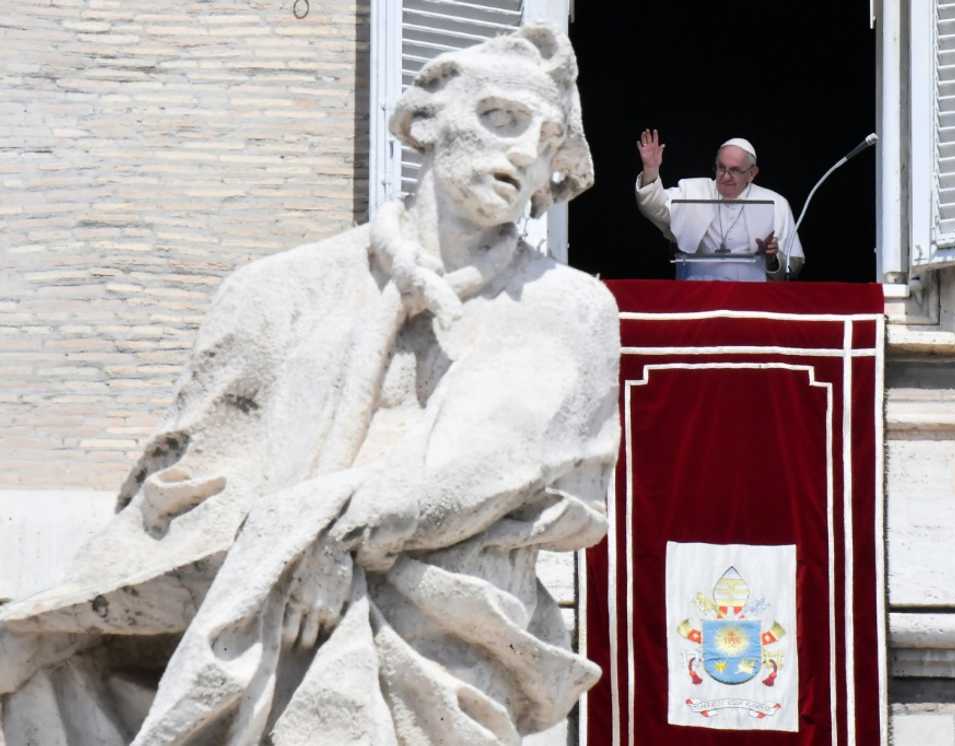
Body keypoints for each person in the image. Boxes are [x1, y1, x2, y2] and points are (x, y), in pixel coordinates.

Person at [0, 25, 619, 746]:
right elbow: (178, 481)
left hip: (438, 626)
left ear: (553, 180)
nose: (520, 152)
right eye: (501, 119)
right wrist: (266, 548)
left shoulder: (561, 308)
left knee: (345, 675)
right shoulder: (277, 290)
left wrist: (329, 541)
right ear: (424, 122)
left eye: (544, 144)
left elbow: (487, 463)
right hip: (239, 598)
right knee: (60, 680)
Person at [634, 129, 805, 281]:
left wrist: (772, 259)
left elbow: (793, 267)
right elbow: (655, 208)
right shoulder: (694, 191)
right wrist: (651, 169)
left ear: (752, 173)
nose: (725, 176)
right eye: (721, 168)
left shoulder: (776, 203)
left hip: (752, 297)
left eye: (735, 170)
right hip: (697, 293)